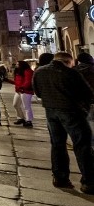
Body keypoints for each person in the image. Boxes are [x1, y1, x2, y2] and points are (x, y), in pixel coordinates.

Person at [32, 51, 94, 193]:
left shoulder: (39, 72)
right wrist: (83, 108)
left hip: (51, 111)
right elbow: (88, 93)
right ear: (67, 61)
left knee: (57, 144)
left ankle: (60, 178)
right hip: (71, 111)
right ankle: (89, 182)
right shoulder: (70, 73)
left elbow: (38, 92)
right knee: (82, 145)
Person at [12, 59, 35, 128]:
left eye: (18, 64)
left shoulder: (28, 71)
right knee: (15, 104)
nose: (16, 66)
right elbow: (17, 82)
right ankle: (21, 118)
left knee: (26, 106)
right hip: (19, 90)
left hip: (26, 91)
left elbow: (28, 82)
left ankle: (29, 121)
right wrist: (8, 80)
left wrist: (22, 87)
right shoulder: (19, 72)